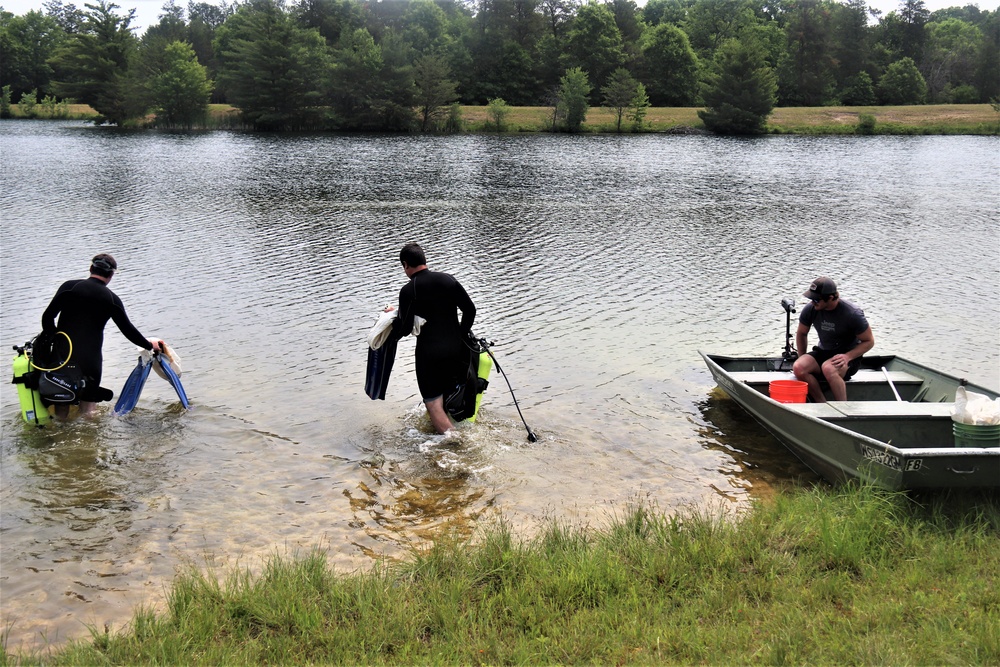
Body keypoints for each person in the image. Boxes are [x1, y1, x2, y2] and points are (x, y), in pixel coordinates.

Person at [40, 253, 163, 417]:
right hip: (91, 359)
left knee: (62, 400)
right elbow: (128, 330)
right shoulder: (111, 299)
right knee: (89, 411)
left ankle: (61, 430)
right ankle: (89, 439)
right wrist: (149, 345)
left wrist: (54, 337)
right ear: (111, 275)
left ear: (91, 268)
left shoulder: (69, 287)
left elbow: (47, 317)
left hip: (64, 354)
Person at [388, 242, 476, 434]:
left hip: (429, 353)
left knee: (433, 402)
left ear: (405, 265)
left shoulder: (409, 290)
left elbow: (404, 328)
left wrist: (390, 318)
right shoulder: (447, 280)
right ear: (424, 260)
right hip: (455, 349)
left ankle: (455, 440)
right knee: (448, 393)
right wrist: (460, 333)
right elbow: (470, 310)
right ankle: (449, 428)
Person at [792, 276, 874, 402]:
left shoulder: (852, 313)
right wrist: (801, 355)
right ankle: (822, 403)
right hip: (824, 351)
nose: (812, 303)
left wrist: (848, 356)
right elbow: (802, 333)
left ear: (830, 298)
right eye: (811, 299)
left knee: (828, 368)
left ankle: (842, 407)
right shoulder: (811, 309)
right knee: (799, 367)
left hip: (848, 357)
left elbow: (869, 341)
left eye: (816, 299)